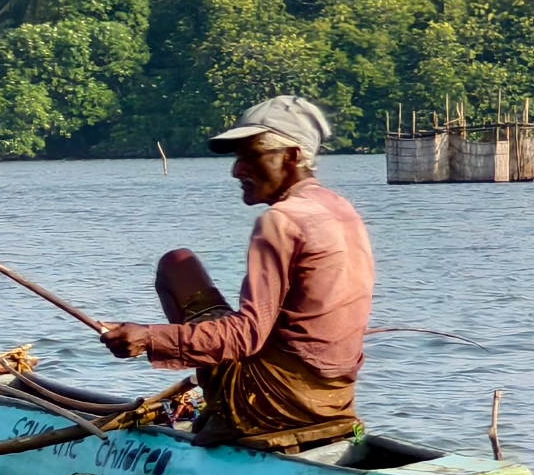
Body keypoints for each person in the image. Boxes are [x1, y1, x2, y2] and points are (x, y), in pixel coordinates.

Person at [98, 96, 373, 452]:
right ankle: (223, 406)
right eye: (237, 157)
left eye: (251, 156)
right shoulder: (340, 208)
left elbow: (246, 336)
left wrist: (150, 338)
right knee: (182, 263)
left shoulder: (280, 221)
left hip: (278, 405)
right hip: (335, 399)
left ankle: (228, 413)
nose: (236, 170)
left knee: (175, 265)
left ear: (290, 156)